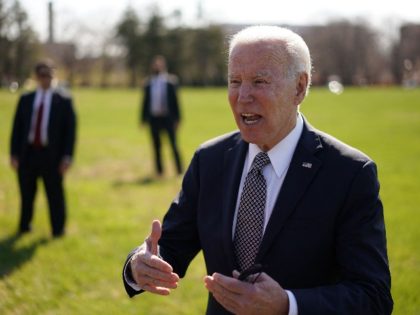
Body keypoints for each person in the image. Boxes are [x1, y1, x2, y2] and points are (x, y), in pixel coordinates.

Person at [122, 26, 392, 314]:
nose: (243, 96)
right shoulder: (209, 160)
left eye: (259, 81)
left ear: (299, 87)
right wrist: (140, 264)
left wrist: (287, 305)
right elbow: (172, 246)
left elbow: (372, 296)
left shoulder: (349, 173)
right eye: (235, 81)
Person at [10, 60, 77, 238]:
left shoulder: (63, 100)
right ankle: (24, 226)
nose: (45, 79)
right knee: (26, 193)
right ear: (36, 77)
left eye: (48, 74)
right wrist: (14, 154)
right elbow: (17, 128)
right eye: (41, 75)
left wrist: (67, 157)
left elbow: (70, 131)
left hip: (52, 156)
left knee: (55, 194)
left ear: (53, 76)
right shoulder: (26, 99)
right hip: (28, 154)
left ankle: (58, 229)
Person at [141, 55, 183, 176]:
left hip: (168, 119)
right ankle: (159, 172)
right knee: (156, 146)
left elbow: (176, 101)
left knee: (173, 145)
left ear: (163, 66)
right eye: (155, 64)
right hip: (154, 119)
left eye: (159, 64)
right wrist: (143, 119)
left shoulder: (171, 81)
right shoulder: (148, 83)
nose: (157, 66)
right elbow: (144, 102)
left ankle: (179, 170)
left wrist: (178, 119)